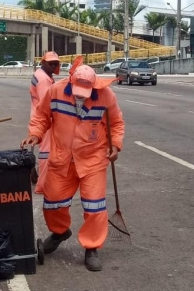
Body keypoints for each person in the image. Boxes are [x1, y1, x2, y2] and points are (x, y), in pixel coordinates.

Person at [21, 65, 125, 271]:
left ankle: (92, 246)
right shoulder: (56, 90)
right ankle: (60, 232)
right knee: (53, 202)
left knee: (94, 206)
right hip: (62, 158)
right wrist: (36, 134)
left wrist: (115, 145)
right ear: (71, 83)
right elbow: (41, 116)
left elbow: (117, 124)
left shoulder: (106, 96)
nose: (81, 97)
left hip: (92, 159)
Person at [29, 51, 60, 194]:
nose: (53, 66)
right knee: (46, 151)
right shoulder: (44, 80)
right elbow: (46, 104)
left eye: (56, 63)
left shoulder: (41, 75)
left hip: (37, 117)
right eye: (51, 63)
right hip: (43, 120)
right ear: (43, 62)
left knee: (44, 149)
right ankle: (43, 185)